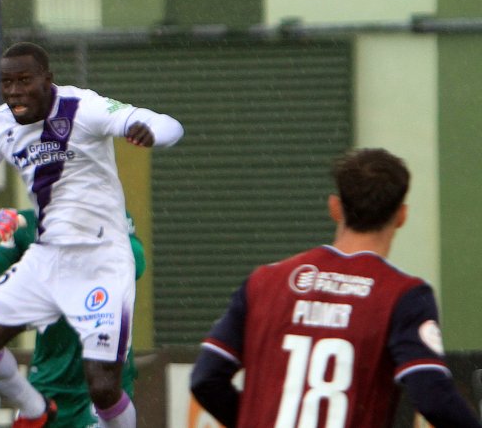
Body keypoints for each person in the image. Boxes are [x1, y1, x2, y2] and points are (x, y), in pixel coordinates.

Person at [0, 41, 183, 428]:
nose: (14, 92)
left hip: (102, 261)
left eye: (24, 81)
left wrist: (150, 131)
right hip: (48, 258)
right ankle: (36, 411)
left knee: (103, 386)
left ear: (48, 80)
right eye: (6, 83)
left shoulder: (83, 108)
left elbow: (168, 124)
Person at [190, 148, 482, 427]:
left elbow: (206, 379)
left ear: (334, 207)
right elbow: (432, 396)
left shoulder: (264, 281)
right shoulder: (403, 295)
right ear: (402, 216)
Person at [0, 207, 145, 427]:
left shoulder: (108, 211)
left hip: (103, 374)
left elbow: (137, 263)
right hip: (50, 377)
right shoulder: (28, 223)